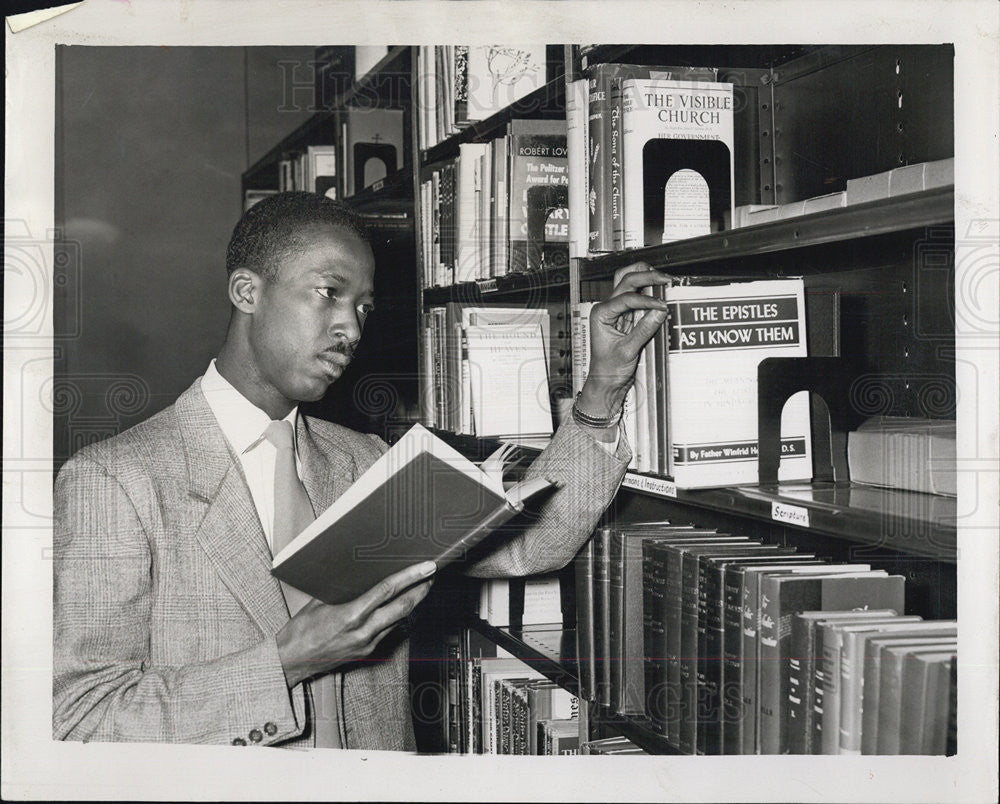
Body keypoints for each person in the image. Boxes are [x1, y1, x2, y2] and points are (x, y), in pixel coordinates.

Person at [52, 192, 672, 750]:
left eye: (364, 308)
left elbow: (532, 546)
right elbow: (78, 720)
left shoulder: (362, 460)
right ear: (247, 291)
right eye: (329, 293)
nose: (351, 328)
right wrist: (285, 663)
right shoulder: (114, 482)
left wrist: (604, 387)